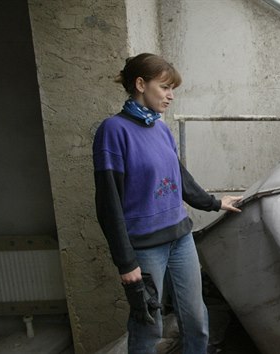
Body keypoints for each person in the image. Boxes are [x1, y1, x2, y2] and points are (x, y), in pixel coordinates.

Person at [93, 53, 242, 354]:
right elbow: (108, 203)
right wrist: (126, 262)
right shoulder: (113, 131)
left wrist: (213, 203)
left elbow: (179, 177)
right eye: (164, 87)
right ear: (140, 84)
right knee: (148, 327)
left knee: (197, 321)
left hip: (180, 238)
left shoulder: (160, 128)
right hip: (145, 247)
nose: (171, 95)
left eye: (172, 88)